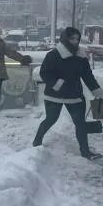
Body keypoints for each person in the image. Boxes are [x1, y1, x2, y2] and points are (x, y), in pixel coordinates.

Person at [33, 27, 103, 160]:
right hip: (54, 95)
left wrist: (97, 91)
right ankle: (36, 142)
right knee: (51, 119)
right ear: (65, 39)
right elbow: (44, 73)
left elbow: (87, 76)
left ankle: (85, 152)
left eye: (77, 39)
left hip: (74, 95)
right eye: (72, 38)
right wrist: (58, 84)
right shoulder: (53, 54)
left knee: (80, 123)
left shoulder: (81, 57)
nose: (75, 41)